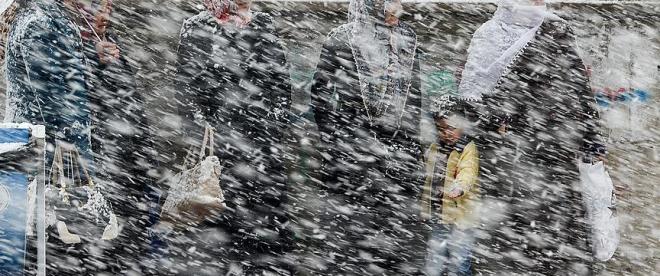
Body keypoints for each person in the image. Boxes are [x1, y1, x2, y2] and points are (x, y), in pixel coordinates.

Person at [457, 0, 604, 274]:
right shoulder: (490, 34)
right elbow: (471, 94)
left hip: (556, 146)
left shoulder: (556, 29)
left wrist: (591, 136)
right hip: (511, 154)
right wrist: (497, 119)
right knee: (514, 234)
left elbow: (578, 86)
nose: (537, 3)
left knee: (563, 230)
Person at [170, 0, 292, 274]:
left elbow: (281, 87)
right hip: (218, 154)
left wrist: (271, 128)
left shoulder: (264, 24)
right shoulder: (198, 26)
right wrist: (205, 132)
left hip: (263, 151)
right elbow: (186, 91)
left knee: (267, 231)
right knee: (220, 233)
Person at [309, 0, 424, 273]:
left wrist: (411, 143)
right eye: (391, 3)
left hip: (399, 154)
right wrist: (338, 141)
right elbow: (320, 96)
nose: (398, 9)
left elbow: (415, 96)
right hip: (353, 153)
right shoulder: (342, 38)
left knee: (396, 239)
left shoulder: (407, 37)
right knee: (349, 238)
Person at [421, 99, 479, 276]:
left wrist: (459, 187)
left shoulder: (467, 149)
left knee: (460, 260)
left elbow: (468, 171)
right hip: (440, 214)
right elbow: (429, 181)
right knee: (435, 259)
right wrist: (425, 209)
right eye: (441, 129)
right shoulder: (434, 148)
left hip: (461, 217)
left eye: (452, 128)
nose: (447, 133)